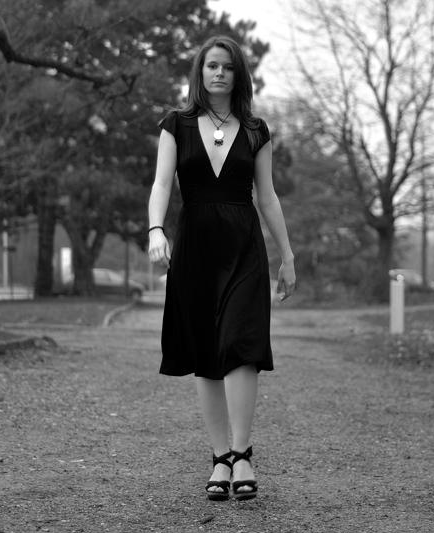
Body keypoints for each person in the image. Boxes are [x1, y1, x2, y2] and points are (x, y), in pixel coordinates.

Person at [147, 35, 295, 501]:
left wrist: (287, 255)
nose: (219, 73)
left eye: (228, 67)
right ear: (200, 71)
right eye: (212, 65)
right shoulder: (176, 124)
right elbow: (161, 184)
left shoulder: (255, 130)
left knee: (242, 343)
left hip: (243, 246)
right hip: (195, 248)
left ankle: (242, 452)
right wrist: (156, 230)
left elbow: (267, 197)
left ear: (238, 75)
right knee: (207, 354)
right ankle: (219, 459)